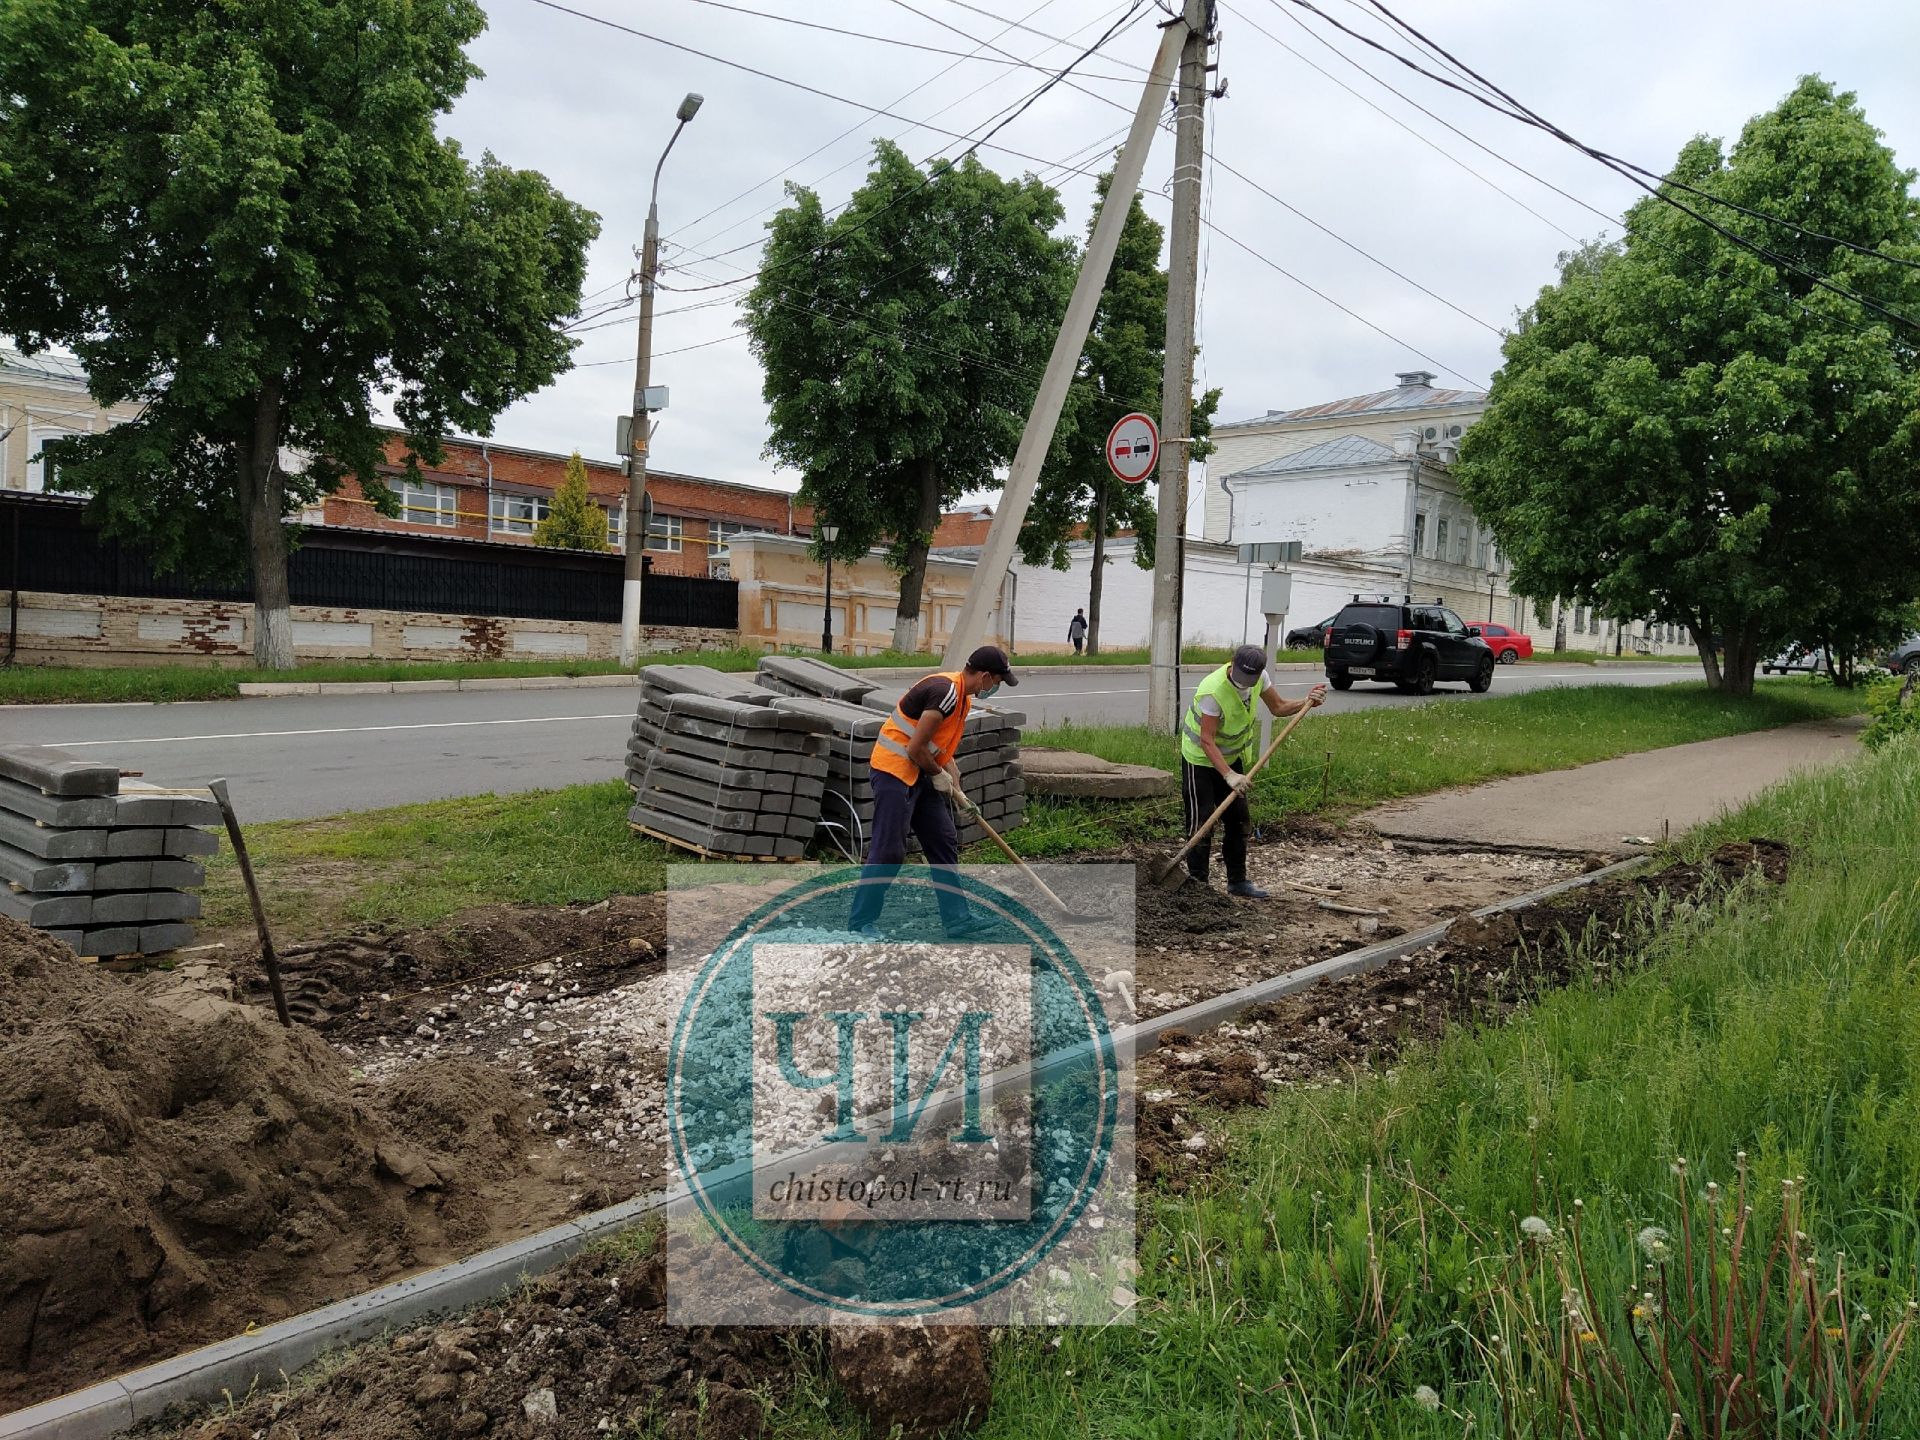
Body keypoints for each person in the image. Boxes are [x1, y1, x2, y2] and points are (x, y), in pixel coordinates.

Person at [848, 644, 1019, 936]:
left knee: (943, 838)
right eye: (998, 682)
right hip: (894, 771)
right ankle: (860, 922)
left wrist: (953, 775)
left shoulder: (962, 697)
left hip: (920, 770)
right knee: (889, 850)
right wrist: (938, 775)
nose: (997, 687)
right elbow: (915, 748)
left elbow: (934, 742)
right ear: (986, 677)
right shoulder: (946, 693)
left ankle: (957, 920)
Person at [1178, 643, 1326, 898]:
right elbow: (1206, 740)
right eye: (1240, 677)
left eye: (1250, 679)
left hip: (1231, 759)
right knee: (1202, 822)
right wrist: (1229, 775)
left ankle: (1237, 882)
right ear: (1231, 663)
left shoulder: (1259, 679)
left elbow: (1278, 707)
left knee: (1238, 821)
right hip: (1199, 761)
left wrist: (1306, 702)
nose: (1243, 683)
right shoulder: (1212, 691)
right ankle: (1198, 889)